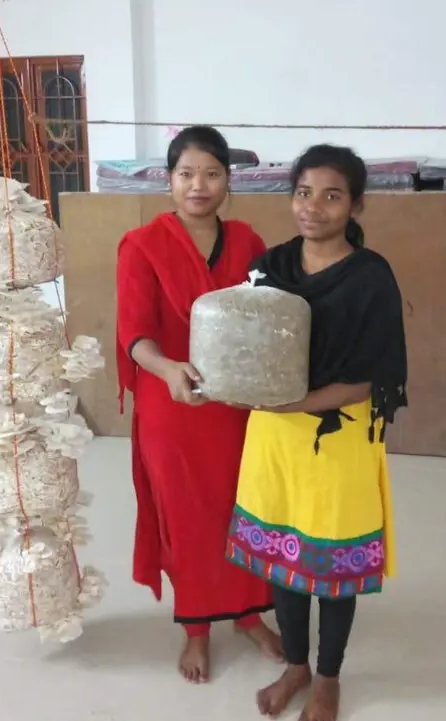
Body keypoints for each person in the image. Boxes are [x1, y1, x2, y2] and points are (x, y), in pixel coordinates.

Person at [226, 144, 408, 721]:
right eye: (304, 193)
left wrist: (295, 403)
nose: (314, 207)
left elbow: (370, 378)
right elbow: (243, 340)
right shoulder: (269, 268)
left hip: (337, 435)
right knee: (283, 554)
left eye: (332, 195)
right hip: (274, 435)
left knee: (330, 562)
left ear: (356, 204)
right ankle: (297, 666)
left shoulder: (369, 278)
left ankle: (328, 676)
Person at [116, 126, 283, 684]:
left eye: (212, 174)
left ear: (228, 181)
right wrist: (168, 368)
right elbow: (134, 334)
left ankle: (249, 615)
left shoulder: (248, 242)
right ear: (169, 180)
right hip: (175, 402)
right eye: (186, 174)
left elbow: (268, 315)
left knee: (246, 509)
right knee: (188, 516)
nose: (198, 185)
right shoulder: (141, 245)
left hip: (237, 404)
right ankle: (196, 628)